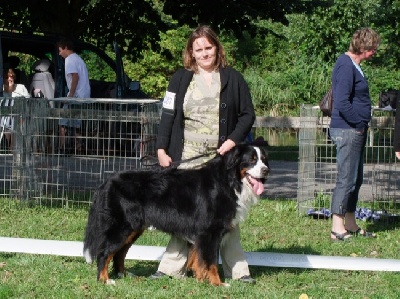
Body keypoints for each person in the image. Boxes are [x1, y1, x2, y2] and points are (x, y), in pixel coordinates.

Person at [151, 25, 257, 283]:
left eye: (208, 47)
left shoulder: (233, 78)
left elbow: (247, 115)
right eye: (198, 49)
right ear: (191, 53)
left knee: (226, 213)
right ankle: (170, 268)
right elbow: (168, 116)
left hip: (221, 160)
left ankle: (238, 270)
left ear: (216, 48)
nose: (204, 53)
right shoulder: (179, 79)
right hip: (186, 154)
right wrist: (161, 148)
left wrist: (232, 141)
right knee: (184, 212)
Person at [329, 28, 380, 241]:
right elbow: (341, 102)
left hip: (356, 130)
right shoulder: (345, 64)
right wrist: (358, 122)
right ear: (363, 47)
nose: (374, 52)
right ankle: (336, 227)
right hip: (347, 129)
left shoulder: (356, 66)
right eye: (372, 49)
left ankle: (350, 222)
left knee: (356, 179)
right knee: (346, 179)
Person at [57, 39, 90, 154]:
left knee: (63, 124)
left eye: (60, 50)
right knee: (77, 124)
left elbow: (75, 77)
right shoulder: (79, 59)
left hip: (75, 97)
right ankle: (79, 148)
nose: (59, 53)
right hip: (83, 96)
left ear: (66, 47)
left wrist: (70, 95)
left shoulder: (69, 60)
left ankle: (62, 148)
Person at [1, 68, 30, 149]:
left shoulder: (21, 87)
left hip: (19, 114)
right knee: (6, 128)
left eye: (11, 76)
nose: (10, 79)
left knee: (16, 131)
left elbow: (28, 100)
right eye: (7, 77)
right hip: (5, 115)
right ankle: (7, 147)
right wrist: (9, 88)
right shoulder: (2, 89)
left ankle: (13, 148)